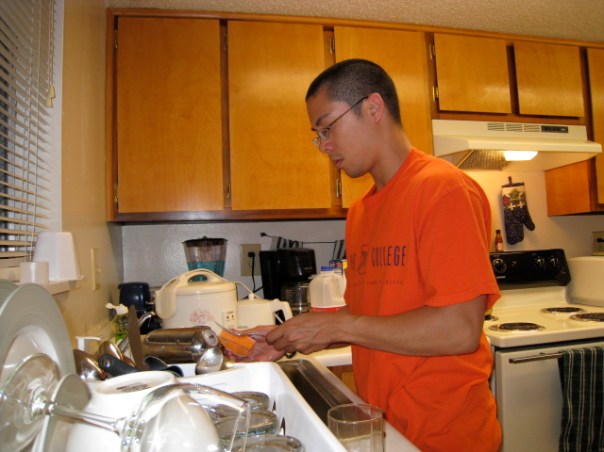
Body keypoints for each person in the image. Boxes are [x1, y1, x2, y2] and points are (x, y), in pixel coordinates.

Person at [239, 59, 501, 451]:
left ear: (373, 107)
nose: (324, 145)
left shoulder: (443, 190)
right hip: (384, 427)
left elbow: (458, 329)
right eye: (317, 135)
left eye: (327, 127)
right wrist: (292, 334)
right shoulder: (361, 211)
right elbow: (372, 312)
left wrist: (335, 328)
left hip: (445, 434)